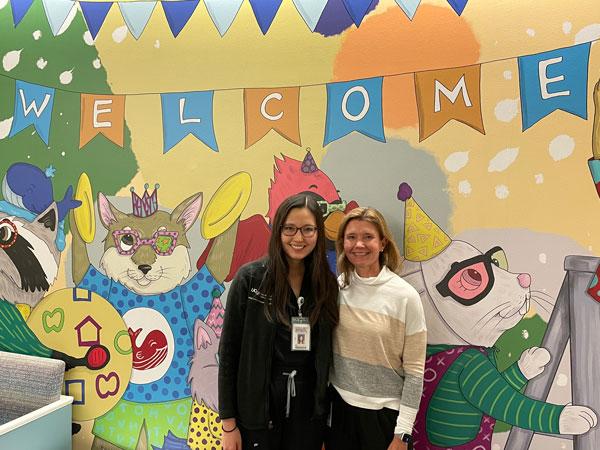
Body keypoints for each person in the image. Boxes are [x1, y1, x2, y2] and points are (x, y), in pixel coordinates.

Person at [219, 193, 339, 450]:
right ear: (278, 231)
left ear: (318, 233)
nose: (298, 238)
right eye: (290, 229)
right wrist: (228, 423)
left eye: (308, 229)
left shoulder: (326, 285)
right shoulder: (250, 279)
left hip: (307, 413)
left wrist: (323, 421)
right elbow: (229, 353)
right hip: (258, 410)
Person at [327, 207, 427, 450]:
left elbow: (415, 373)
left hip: (384, 418)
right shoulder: (336, 288)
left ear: (382, 243)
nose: (358, 244)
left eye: (368, 237)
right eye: (351, 237)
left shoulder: (405, 297)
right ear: (343, 243)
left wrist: (402, 433)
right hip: (339, 410)